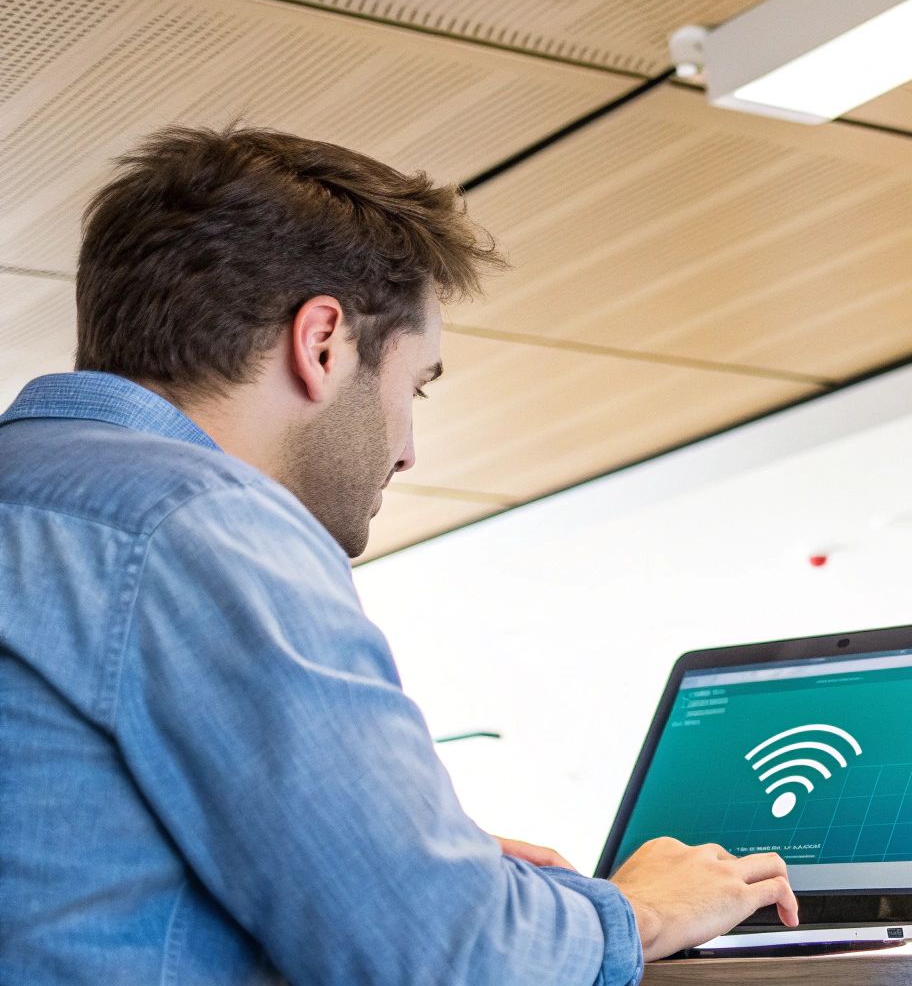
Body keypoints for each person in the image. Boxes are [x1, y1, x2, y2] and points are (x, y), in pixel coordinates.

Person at [0, 126, 797, 984]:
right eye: (414, 386)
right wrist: (641, 910)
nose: (409, 449)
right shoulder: (204, 522)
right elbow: (445, 958)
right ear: (322, 344)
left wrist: (388, 863)